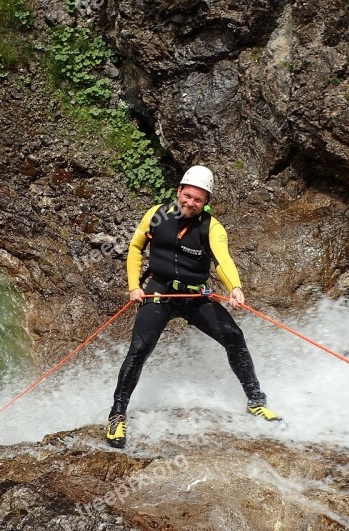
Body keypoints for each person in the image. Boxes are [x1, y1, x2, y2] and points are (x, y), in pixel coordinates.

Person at [105, 165, 281, 449]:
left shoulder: (212, 228)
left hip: (194, 296)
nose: (190, 203)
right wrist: (133, 286)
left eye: (198, 199)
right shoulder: (156, 214)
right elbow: (136, 248)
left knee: (234, 337)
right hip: (158, 293)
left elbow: (223, 260)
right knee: (139, 349)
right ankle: (116, 415)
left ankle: (256, 403)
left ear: (206, 201)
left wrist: (235, 287)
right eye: (187, 196)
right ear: (178, 192)